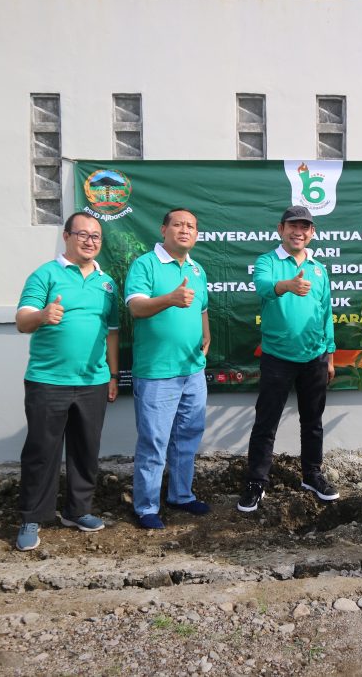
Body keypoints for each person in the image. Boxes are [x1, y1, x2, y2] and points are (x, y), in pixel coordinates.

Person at [14, 212, 120, 551]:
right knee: (42, 452)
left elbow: (112, 333)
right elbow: (21, 320)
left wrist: (113, 375)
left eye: (96, 236)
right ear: (66, 236)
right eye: (83, 234)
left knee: (86, 450)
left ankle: (78, 510)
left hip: (94, 381)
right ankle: (33, 515)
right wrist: (43, 316)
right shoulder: (45, 274)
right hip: (48, 380)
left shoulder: (107, 283)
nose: (90, 241)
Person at [237, 206, 338, 512]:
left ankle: (312, 474)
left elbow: (326, 314)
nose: (299, 231)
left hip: (315, 358)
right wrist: (288, 286)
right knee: (266, 423)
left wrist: (330, 357)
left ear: (312, 233)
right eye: (293, 226)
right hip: (277, 358)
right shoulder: (268, 261)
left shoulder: (319, 269)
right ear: (280, 229)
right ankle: (256, 482)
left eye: (305, 227)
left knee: (313, 422)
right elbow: (264, 288)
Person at [125, 208, 212, 529]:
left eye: (191, 225)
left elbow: (202, 308)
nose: (185, 230)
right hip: (156, 372)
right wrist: (170, 298)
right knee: (154, 441)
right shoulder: (145, 264)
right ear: (164, 230)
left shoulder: (197, 269)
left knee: (187, 437)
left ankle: (181, 495)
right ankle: (146, 507)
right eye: (178, 224)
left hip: (192, 370)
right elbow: (135, 307)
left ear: (196, 234)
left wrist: (207, 334)